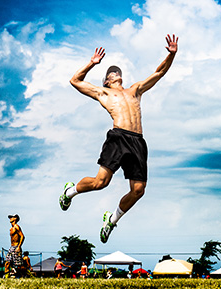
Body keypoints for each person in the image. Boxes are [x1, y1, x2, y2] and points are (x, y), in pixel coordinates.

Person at [60, 34, 179, 243]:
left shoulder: (135, 90)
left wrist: (171, 54)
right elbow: (74, 81)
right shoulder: (103, 93)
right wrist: (92, 63)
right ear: (106, 80)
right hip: (118, 138)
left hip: (138, 141)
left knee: (139, 190)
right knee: (100, 183)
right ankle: (69, 192)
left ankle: (112, 220)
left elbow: (159, 72)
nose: (115, 73)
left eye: (117, 71)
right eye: (111, 73)